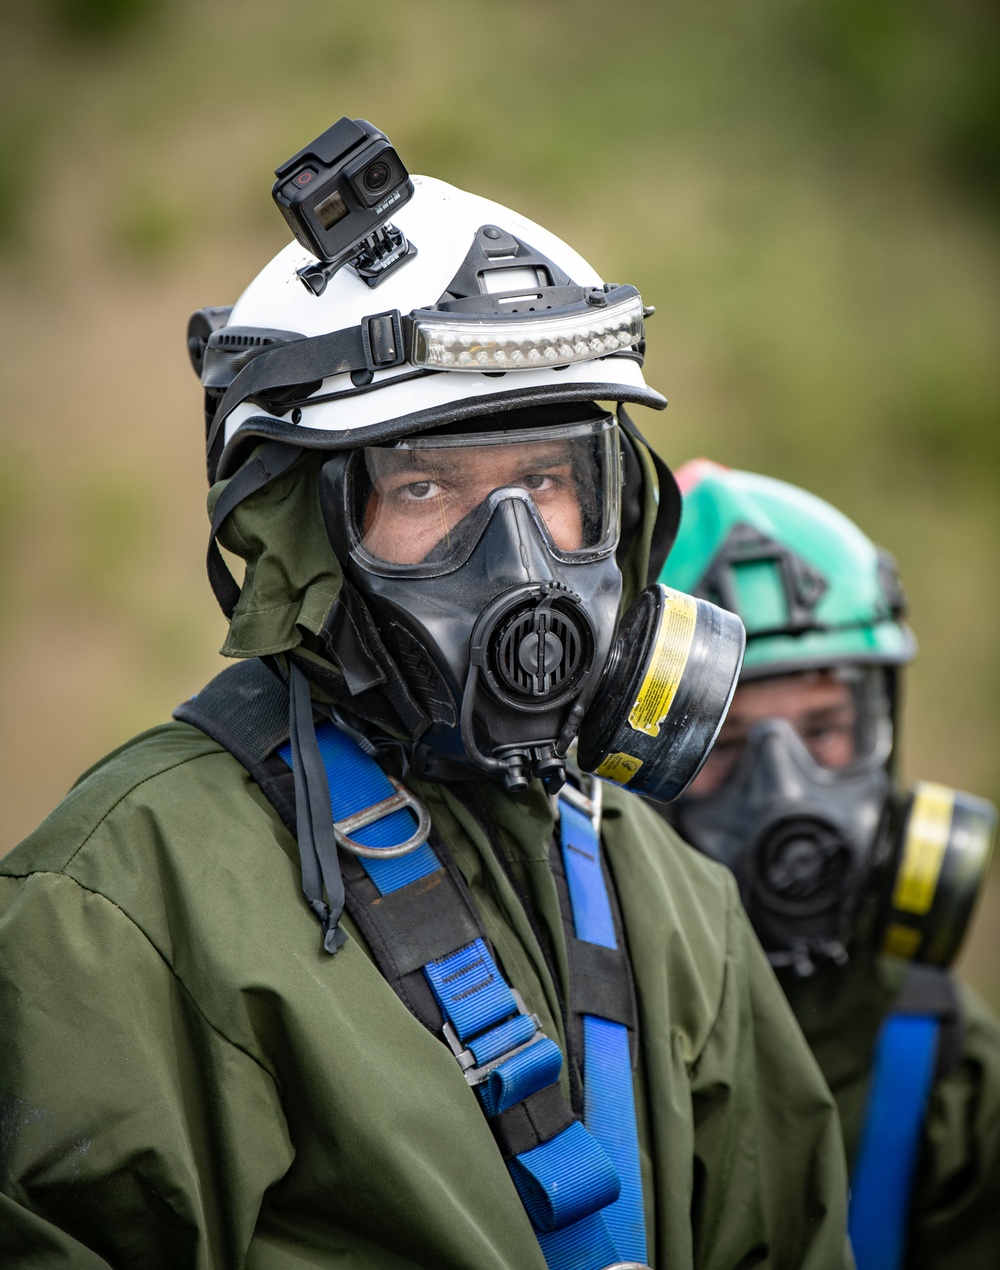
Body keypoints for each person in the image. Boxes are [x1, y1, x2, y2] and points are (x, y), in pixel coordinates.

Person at [0, 119, 853, 1270]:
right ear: (304, 534)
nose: (520, 562)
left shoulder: (673, 900)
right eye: (425, 486)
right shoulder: (123, 908)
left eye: (549, 483)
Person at [656, 458, 1000, 1270]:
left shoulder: (939, 1059)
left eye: (823, 732)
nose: (786, 795)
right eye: (724, 742)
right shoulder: (567, 1035)